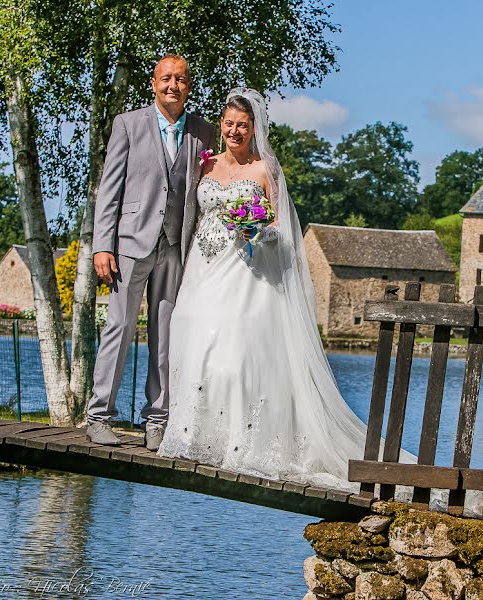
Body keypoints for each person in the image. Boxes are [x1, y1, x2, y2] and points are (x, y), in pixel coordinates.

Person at [157, 88, 370, 489]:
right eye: (229, 124)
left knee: (234, 352)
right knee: (194, 337)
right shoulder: (206, 163)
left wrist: (258, 231)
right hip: (203, 266)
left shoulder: (265, 168)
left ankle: (241, 442)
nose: (234, 131)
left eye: (242, 125)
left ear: (254, 128)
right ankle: (192, 434)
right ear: (220, 125)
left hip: (244, 269)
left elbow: (278, 225)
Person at [87, 55, 217, 450]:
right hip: (129, 245)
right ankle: (98, 417)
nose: (172, 86)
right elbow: (109, 190)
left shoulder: (204, 133)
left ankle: (157, 421)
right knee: (118, 329)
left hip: (176, 247)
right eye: (166, 79)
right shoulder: (128, 124)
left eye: (180, 79)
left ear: (189, 86)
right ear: (153, 83)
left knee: (165, 337)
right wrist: (102, 246)